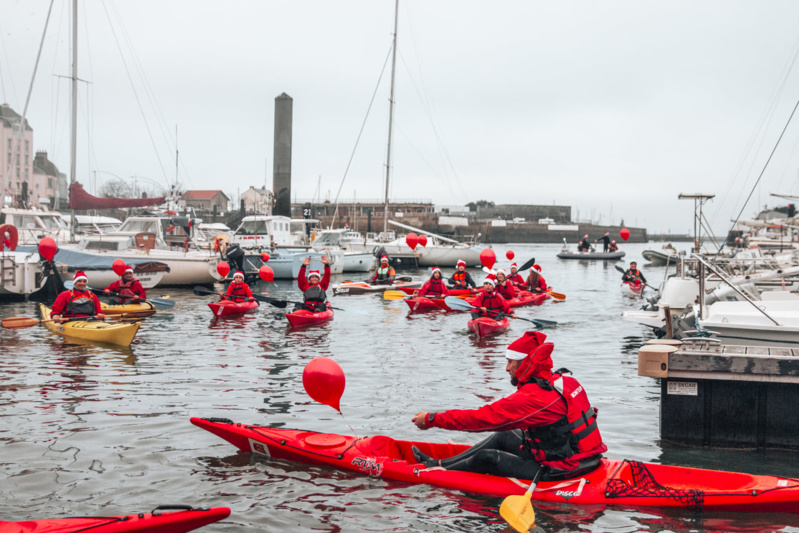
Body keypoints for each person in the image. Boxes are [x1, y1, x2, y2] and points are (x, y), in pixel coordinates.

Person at [411, 331, 607, 481]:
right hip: (585, 457)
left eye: (510, 362)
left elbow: (480, 419)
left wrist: (431, 419)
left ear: (524, 364)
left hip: (563, 469)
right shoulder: (564, 380)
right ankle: (435, 463)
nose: (506, 368)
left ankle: (436, 473)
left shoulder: (534, 397)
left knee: (486, 458)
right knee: (504, 435)